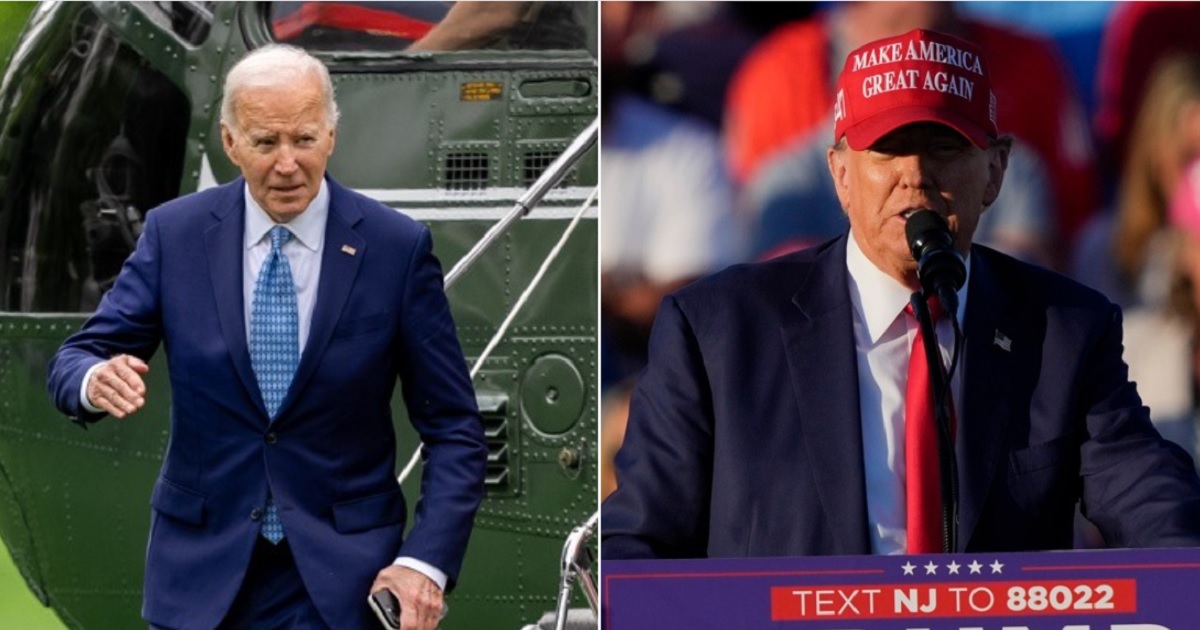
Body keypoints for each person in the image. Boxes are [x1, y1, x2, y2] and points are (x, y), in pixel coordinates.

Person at [602, 28, 1200, 561]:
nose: (914, 173)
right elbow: (637, 546)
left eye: (944, 146)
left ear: (994, 171)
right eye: (887, 148)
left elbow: (1149, 501)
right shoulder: (718, 333)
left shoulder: (1063, 330)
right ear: (840, 173)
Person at [46, 45, 487, 630]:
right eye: (264, 143)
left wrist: (424, 563)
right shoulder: (174, 235)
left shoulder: (395, 248)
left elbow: (456, 429)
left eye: (303, 139)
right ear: (230, 143)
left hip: (344, 590)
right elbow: (77, 357)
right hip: (199, 584)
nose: (287, 164)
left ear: (331, 135)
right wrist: (92, 380)